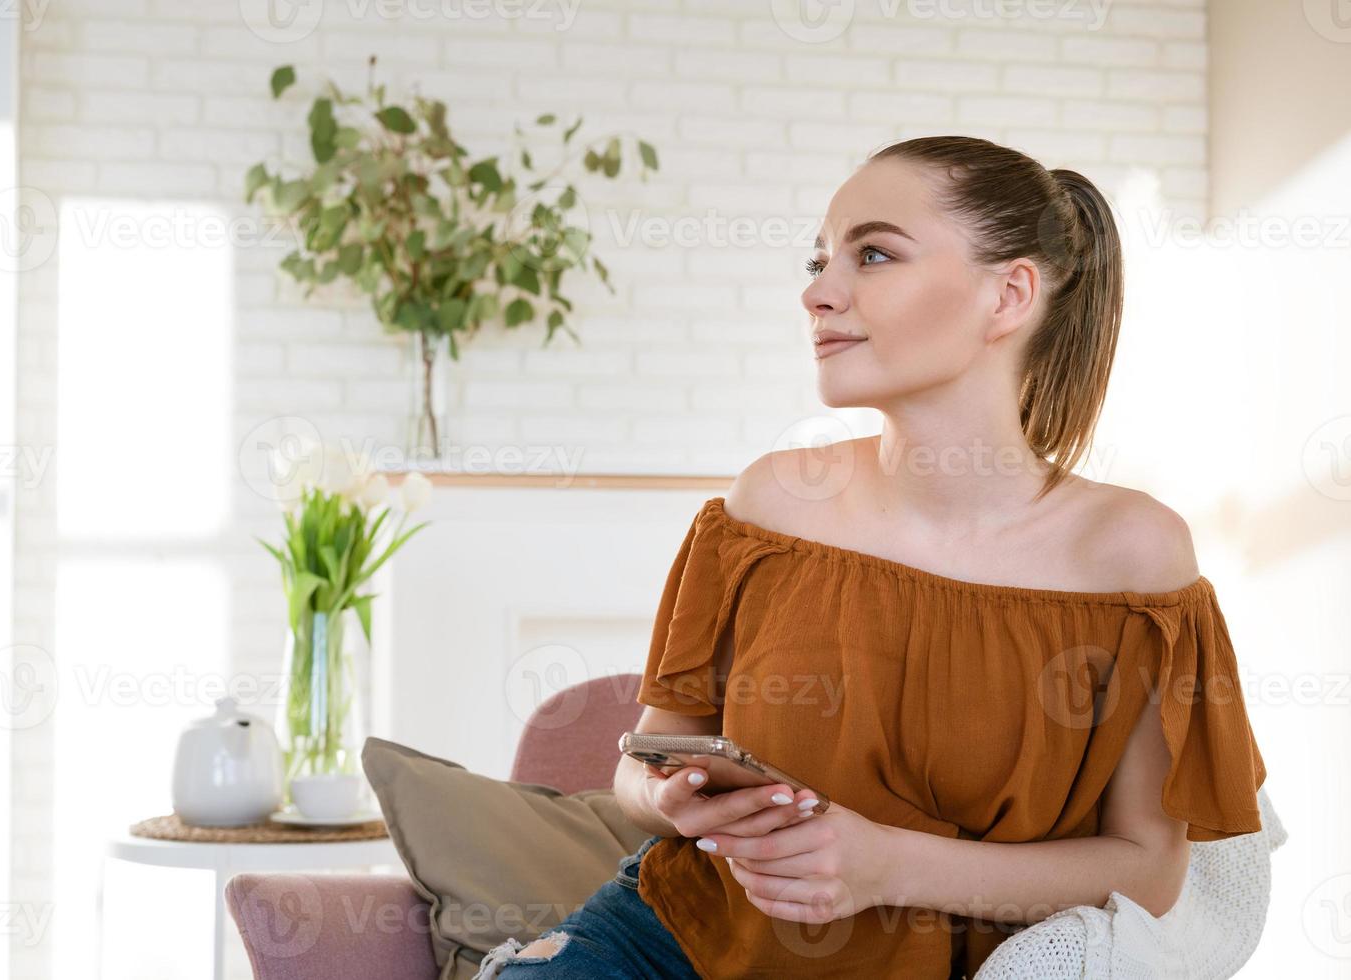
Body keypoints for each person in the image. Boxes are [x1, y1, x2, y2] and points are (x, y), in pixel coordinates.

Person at [473, 134, 1268, 979]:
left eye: (874, 254)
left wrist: (887, 864)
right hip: (676, 938)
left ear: (1009, 295)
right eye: (819, 261)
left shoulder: (1132, 558)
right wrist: (675, 805)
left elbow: (1148, 871)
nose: (818, 293)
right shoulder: (766, 508)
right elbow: (643, 769)